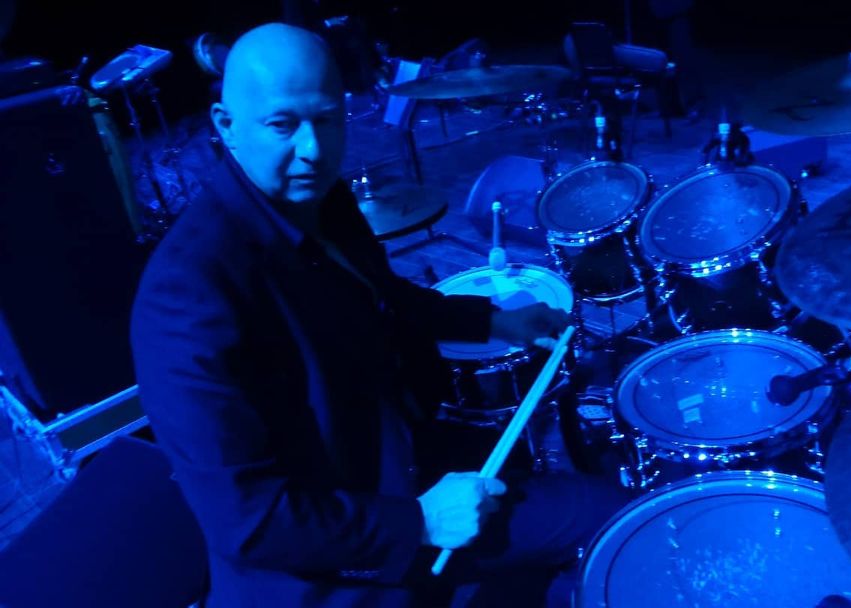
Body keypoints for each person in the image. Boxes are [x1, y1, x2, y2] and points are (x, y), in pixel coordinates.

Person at [130, 22, 628, 608]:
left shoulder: (321, 198)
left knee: (593, 503)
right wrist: (419, 521)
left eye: (327, 119)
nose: (313, 150)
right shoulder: (188, 296)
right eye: (282, 125)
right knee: (606, 525)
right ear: (226, 125)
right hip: (328, 563)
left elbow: (378, 296)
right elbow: (250, 522)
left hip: (399, 463)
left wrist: (494, 320)